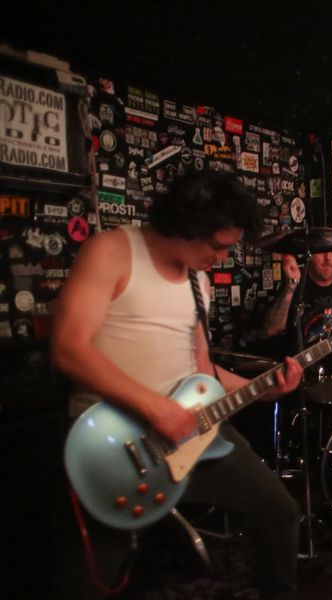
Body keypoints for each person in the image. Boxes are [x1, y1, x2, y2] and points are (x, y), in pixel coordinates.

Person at [50, 170, 303, 599]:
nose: (221, 257)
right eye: (217, 246)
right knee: (95, 578)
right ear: (185, 225)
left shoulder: (196, 280)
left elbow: (203, 372)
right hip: (116, 444)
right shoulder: (112, 251)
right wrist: (156, 409)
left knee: (280, 511)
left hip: (189, 432)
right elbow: (69, 349)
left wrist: (265, 390)